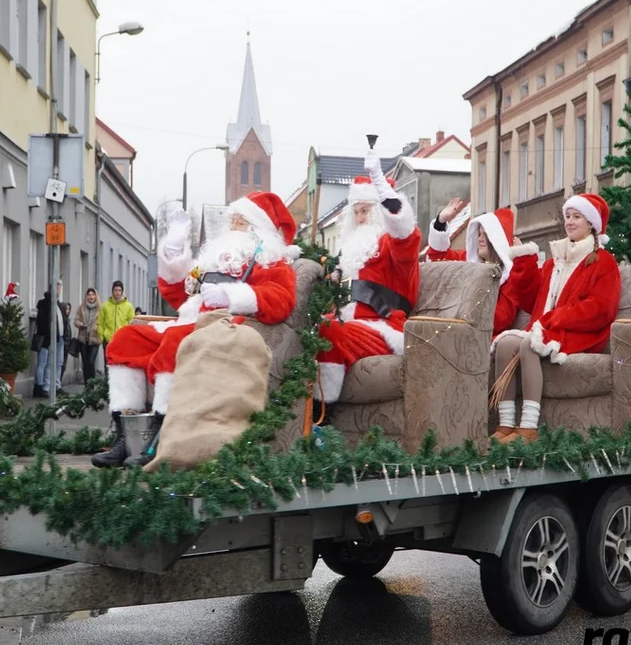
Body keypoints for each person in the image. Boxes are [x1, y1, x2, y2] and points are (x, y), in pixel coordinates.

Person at [94, 191, 300, 468]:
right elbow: (180, 294)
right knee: (124, 339)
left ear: (260, 230)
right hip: (191, 322)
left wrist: (230, 295)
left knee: (176, 341)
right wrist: (175, 252)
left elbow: (281, 301)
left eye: (241, 222)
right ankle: (127, 435)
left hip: (226, 327)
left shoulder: (272, 263)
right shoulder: (213, 261)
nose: (233, 226)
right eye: (233, 220)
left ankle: (160, 437)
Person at [491, 194, 622, 443]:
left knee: (529, 345)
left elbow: (601, 309)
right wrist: (525, 261)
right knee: (505, 344)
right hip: (548, 327)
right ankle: (506, 424)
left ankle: (528, 428)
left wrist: (555, 319)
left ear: (592, 224)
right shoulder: (554, 262)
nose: (570, 222)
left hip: (579, 333)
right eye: (568, 216)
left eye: (577, 217)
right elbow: (532, 302)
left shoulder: (603, 262)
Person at [314, 152, 420, 409]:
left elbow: (405, 235)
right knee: (314, 329)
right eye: (357, 212)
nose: (361, 218)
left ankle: (322, 412)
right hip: (352, 322)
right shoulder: (351, 255)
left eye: (367, 211)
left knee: (329, 331)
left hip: (384, 327)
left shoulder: (391, 245)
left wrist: (382, 188)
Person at [426, 198, 541, 339]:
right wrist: (441, 222)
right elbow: (438, 260)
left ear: (496, 240)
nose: (479, 239)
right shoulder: (469, 261)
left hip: (481, 341)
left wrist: (465, 309)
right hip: (456, 331)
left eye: (485, 235)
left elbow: (500, 320)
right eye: (479, 234)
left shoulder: (509, 278)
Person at [33, 281, 65, 397]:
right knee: (43, 363)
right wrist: (49, 335)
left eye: (60, 287)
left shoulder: (57, 304)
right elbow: (43, 322)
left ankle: (51, 386)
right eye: (57, 287)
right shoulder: (46, 304)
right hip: (47, 338)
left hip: (58, 337)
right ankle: (40, 387)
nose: (59, 289)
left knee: (55, 363)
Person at [96, 280, 135, 355]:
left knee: (120, 364)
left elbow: (132, 323)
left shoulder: (128, 306)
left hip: (123, 340)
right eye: (116, 290)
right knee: (108, 364)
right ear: (112, 291)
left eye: (119, 290)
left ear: (122, 292)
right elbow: (100, 322)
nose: (117, 292)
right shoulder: (105, 306)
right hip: (108, 340)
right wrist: (102, 336)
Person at [73, 288, 102, 381]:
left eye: (93, 295)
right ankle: (87, 387)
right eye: (89, 295)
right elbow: (76, 320)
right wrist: (81, 324)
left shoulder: (100, 309)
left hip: (95, 339)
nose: (91, 297)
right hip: (83, 339)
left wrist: (97, 327)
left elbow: (103, 322)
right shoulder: (82, 308)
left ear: (95, 296)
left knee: (91, 362)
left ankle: (91, 385)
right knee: (85, 364)